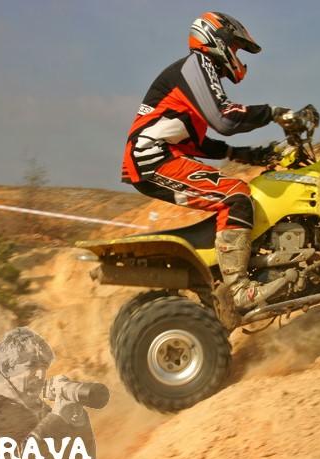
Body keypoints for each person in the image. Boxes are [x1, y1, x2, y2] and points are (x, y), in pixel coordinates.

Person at [121, 11, 298, 311]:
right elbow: (224, 119)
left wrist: (247, 154)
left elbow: (197, 141)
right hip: (153, 158)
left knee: (236, 194)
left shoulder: (199, 74)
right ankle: (239, 288)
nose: (237, 56)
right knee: (236, 197)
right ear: (218, 39)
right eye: (236, 47)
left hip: (162, 155)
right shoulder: (197, 65)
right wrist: (274, 113)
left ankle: (230, 269)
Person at [0, 328, 97, 459]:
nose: (40, 375)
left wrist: (78, 423)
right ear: (8, 369)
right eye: (32, 366)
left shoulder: (41, 409)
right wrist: (54, 419)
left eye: (44, 367)